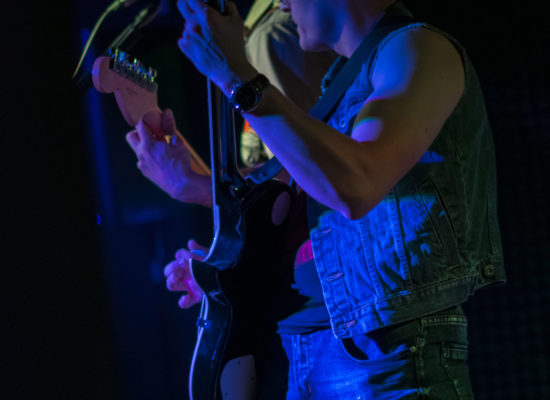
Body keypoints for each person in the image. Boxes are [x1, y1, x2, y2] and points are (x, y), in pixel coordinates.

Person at [129, 0, 506, 398]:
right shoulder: (340, 85)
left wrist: (235, 74)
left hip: (386, 355)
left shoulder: (419, 48)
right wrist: (225, 265)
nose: (281, 4)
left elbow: (355, 185)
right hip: (310, 350)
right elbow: (311, 210)